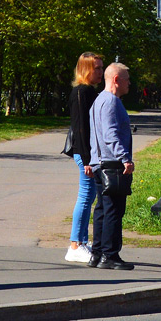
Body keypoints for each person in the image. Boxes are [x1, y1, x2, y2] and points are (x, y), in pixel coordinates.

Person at [87, 63, 135, 270]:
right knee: (114, 210)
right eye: (126, 79)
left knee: (102, 209)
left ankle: (97, 253)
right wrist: (125, 158)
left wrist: (92, 160)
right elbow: (110, 134)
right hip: (112, 165)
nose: (129, 83)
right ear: (116, 80)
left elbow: (94, 134)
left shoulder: (98, 101)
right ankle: (110, 255)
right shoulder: (111, 102)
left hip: (99, 163)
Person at [65, 53, 104, 263]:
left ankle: (80, 241)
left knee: (88, 197)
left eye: (101, 68)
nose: (100, 72)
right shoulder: (82, 92)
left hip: (87, 153)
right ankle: (75, 245)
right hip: (85, 153)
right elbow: (81, 128)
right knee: (86, 196)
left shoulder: (88, 91)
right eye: (96, 68)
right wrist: (88, 160)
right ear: (85, 69)